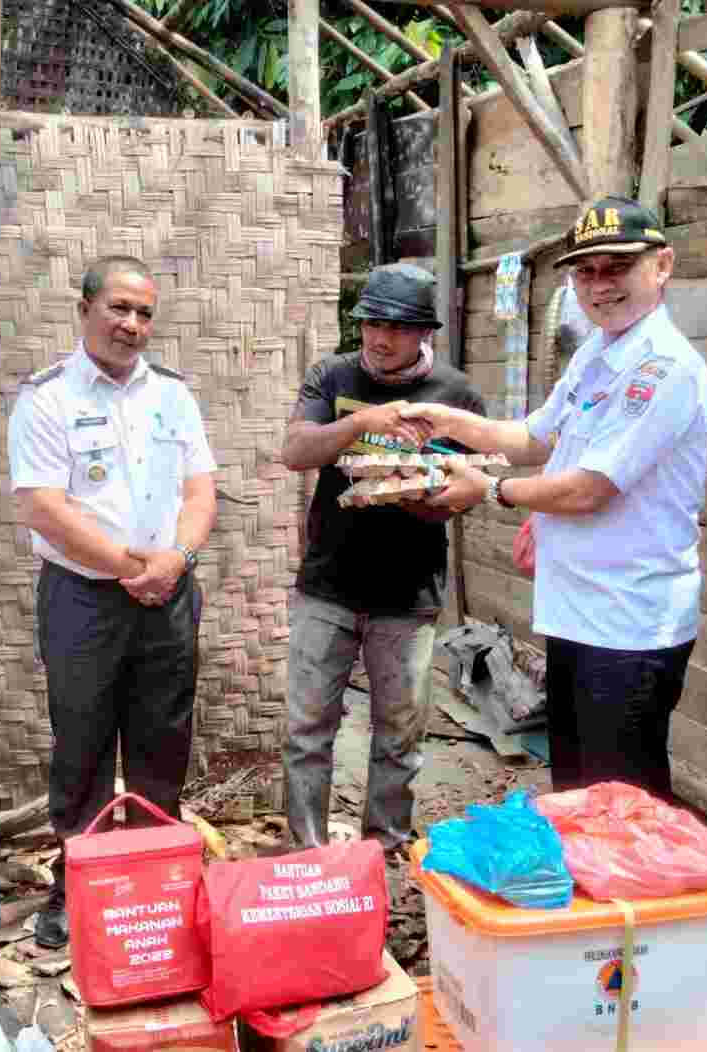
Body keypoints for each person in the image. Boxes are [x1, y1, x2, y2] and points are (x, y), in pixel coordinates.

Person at [399, 197, 707, 799]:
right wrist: (443, 419)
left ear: (663, 265)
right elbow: (528, 437)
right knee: (577, 791)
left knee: (621, 803)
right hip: (580, 613)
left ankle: (635, 896)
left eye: (616, 267)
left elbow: (588, 489)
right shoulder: (598, 355)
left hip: (630, 626)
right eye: (586, 272)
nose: (600, 286)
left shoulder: (664, 368)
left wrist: (490, 489)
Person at [7, 255, 218, 948]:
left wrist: (176, 561)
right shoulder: (47, 398)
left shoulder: (174, 396)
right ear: (86, 308)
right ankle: (78, 887)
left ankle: (159, 883)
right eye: (119, 309)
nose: (132, 325)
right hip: (83, 599)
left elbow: (199, 491)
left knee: (164, 739)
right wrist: (136, 568)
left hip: (169, 592)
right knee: (84, 743)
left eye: (145, 314)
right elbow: (43, 506)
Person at [278, 262, 484, 851]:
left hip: (409, 595)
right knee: (307, 729)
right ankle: (309, 854)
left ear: (425, 333)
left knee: (399, 735)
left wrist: (415, 493)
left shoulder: (456, 395)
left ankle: (385, 850)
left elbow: (465, 494)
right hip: (328, 588)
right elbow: (295, 450)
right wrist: (363, 422)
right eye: (370, 322)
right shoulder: (333, 375)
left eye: (396, 326)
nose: (379, 337)